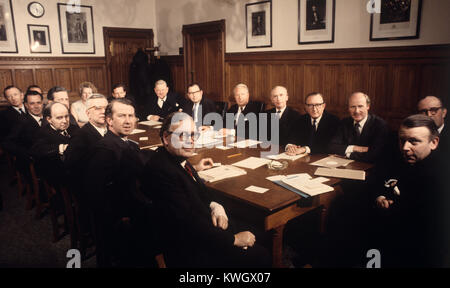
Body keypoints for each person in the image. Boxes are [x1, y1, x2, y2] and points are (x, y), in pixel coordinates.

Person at [141, 112, 270, 267]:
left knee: (260, 233)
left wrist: (215, 205)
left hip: (201, 227)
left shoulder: (178, 159)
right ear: (166, 138)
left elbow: (201, 192)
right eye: (182, 135)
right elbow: (188, 223)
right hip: (189, 248)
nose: (190, 141)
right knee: (261, 255)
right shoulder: (161, 170)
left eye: (193, 135)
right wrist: (234, 240)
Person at [372, 114, 449, 267]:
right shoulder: (403, 158)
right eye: (402, 140)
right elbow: (379, 180)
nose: (405, 147)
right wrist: (380, 196)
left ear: (434, 143)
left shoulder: (440, 176)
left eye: (414, 141)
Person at [84, 98, 148, 267]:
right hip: (121, 217)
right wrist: (123, 218)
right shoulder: (105, 149)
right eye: (122, 116)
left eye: (131, 116)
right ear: (109, 120)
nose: (128, 121)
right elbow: (96, 193)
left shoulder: (127, 144)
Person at [329, 92, 389, 163]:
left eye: (360, 106)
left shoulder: (380, 125)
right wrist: (354, 148)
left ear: (368, 106)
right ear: (348, 108)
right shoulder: (344, 122)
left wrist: (348, 154)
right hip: (346, 167)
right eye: (353, 107)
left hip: (370, 168)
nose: (356, 111)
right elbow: (332, 147)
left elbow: (375, 155)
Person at [31, 102, 79, 187]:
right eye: (59, 118)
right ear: (49, 119)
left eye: (66, 116)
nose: (65, 121)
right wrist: (61, 148)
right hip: (58, 175)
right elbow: (37, 150)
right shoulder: (42, 133)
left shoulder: (74, 128)